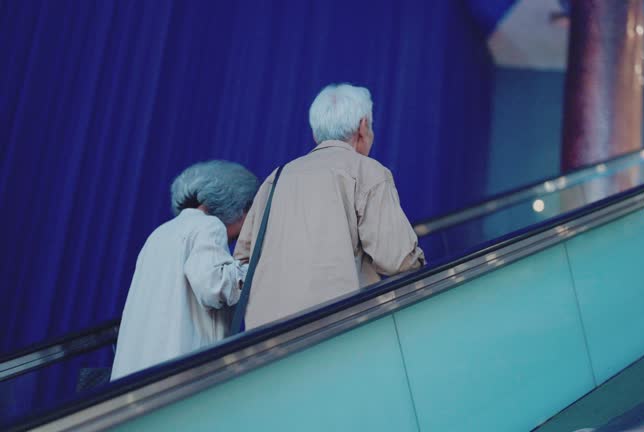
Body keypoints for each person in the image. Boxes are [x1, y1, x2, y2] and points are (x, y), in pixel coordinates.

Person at [235, 83, 425, 330]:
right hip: (335, 327)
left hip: (264, 334)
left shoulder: (276, 178)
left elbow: (243, 261)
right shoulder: (367, 172)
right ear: (363, 126)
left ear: (316, 135)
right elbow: (396, 259)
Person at [111, 161, 259, 380]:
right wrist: (255, 268)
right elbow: (215, 287)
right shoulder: (208, 226)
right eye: (251, 212)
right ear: (241, 206)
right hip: (181, 372)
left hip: (135, 375)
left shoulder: (160, 234)